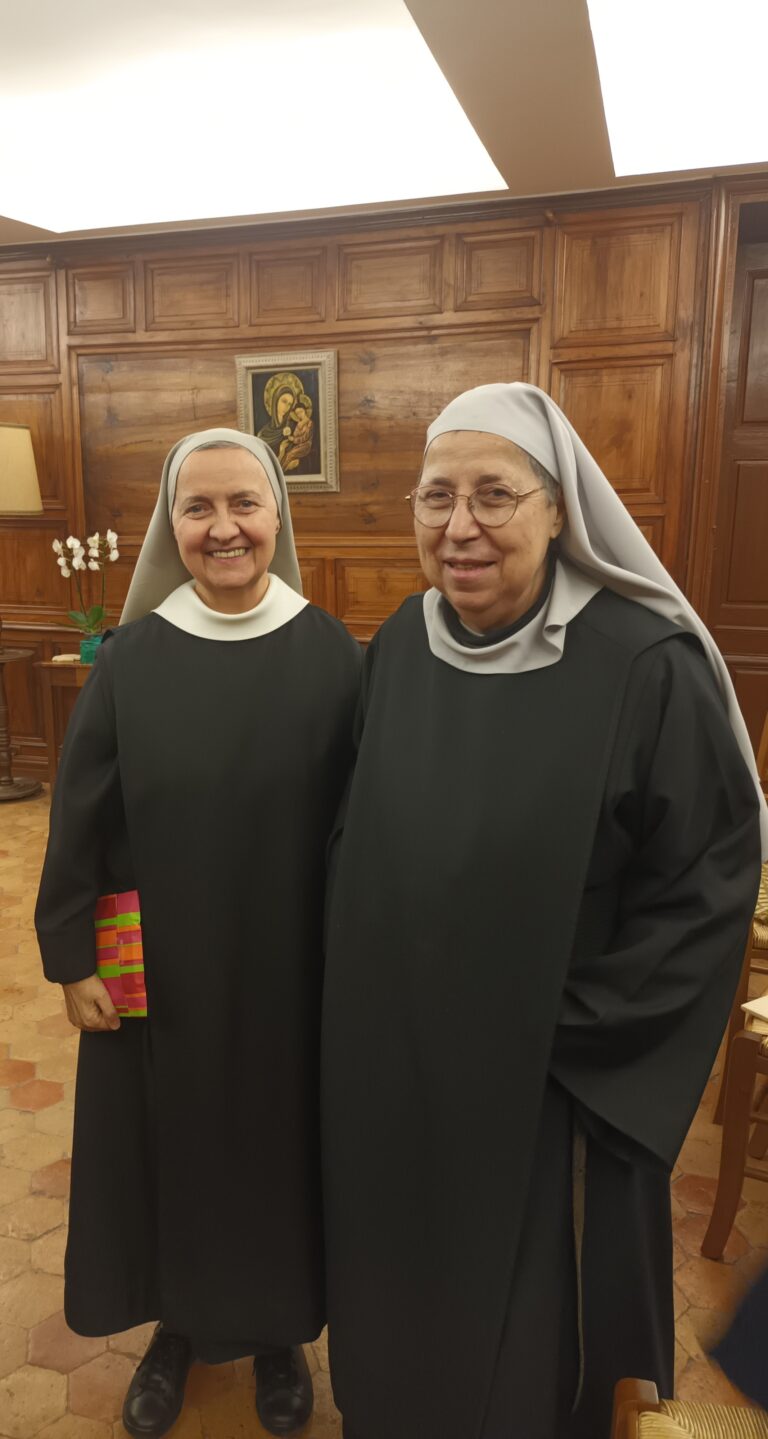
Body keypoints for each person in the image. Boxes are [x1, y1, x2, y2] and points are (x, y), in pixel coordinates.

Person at [321, 383, 767, 1439]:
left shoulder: (644, 665)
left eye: (493, 494)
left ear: (559, 506)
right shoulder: (400, 643)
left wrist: (563, 1028)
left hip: (552, 1084)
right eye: (436, 496)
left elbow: (708, 882)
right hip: (402, 1069)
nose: (459, 525)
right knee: (400, 1306)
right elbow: (355, 834)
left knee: (532, 1358)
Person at [35, 429, 360, 1439]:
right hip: (160, 971)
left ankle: (279, 1333)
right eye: (198, 507)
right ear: (169, 527)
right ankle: (175, 1325)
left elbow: (365, 822)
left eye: (244, 504)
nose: (224, 528)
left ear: (278, 517)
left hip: (292, 970)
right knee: (166, 1146)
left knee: (280, 1145)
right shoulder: (131, 657)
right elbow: (80, 814)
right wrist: (73, 956)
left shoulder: (333, 654)